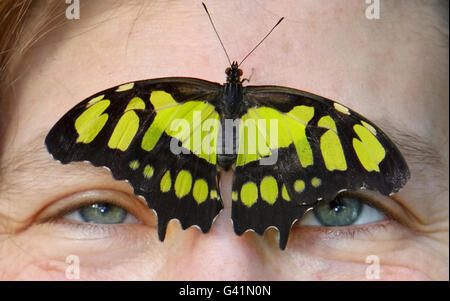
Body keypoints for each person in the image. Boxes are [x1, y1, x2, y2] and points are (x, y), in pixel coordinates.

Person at [0, 0, 447, 280]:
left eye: (340, 211)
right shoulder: (305, 116)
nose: (223, 279)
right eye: (102, 210)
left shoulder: (159, 103)